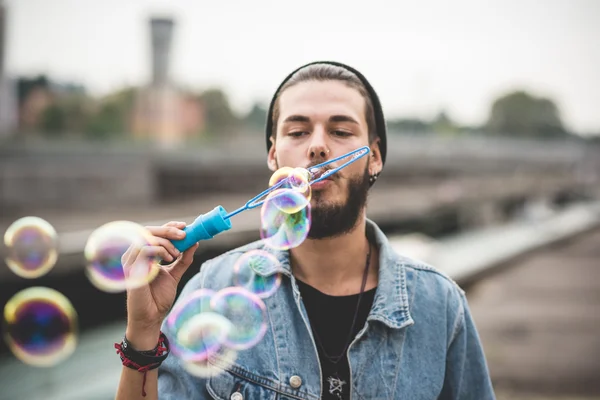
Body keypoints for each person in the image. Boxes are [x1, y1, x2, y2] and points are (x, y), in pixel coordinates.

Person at [115, 61, 496, 400]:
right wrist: (144, 331)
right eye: (297, 132)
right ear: (273, 155)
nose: (317, 147)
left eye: (341, 131)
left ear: (375, 157)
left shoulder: (440, 305)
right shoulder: (209, 288)